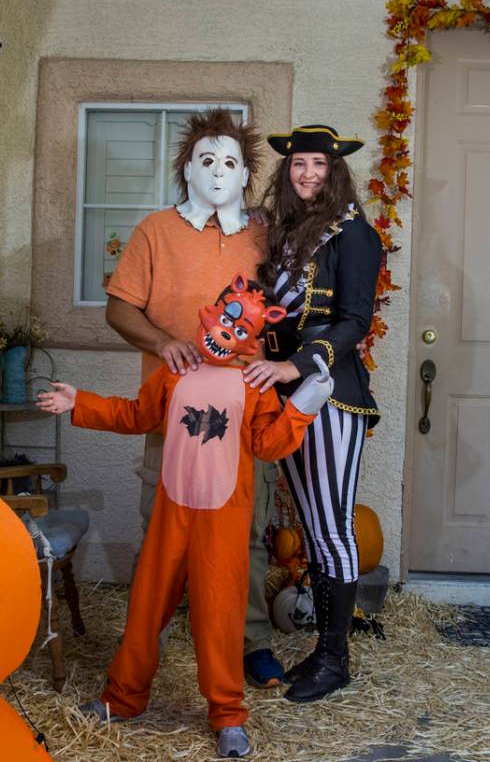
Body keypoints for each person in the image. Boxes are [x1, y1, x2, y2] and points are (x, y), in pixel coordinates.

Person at [38, 275, 333, 758]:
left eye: (241, 326)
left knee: (219, 616)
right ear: (210, 312)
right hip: (172, 512)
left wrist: (302, 406)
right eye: (225, 315)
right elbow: (135, 415)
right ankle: (123, 697)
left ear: (253, 337)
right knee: (146, 606)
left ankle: (227, 714)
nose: (227, 329)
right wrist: (81, 403)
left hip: (224, 520)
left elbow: (269, 444)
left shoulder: (253, 384)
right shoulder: (174, 374)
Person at [103, 108, 287, 688]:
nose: (216, 170)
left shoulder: (264, 235)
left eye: (229, 161)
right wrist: (165, 344)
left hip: (246, 413)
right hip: (171, 413)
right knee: (157, 529)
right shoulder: (154, 232)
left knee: (250, 534)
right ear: (186, 168)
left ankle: (247, 640)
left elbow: (291, 314)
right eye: (205, 159)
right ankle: (144, 643)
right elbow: (119, 307)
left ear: (245, 174)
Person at [242, 124, 382, 703]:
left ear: (335, 171)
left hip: (329, 390)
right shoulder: (284, 233)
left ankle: (334, 658)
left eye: (318, 165)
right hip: (284, 393)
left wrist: (293, 366)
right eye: (299, 164)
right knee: (314, 527)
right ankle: (324, 651)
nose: (307, 174)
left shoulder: (354, 234)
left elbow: (355, 322)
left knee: (333, 529)